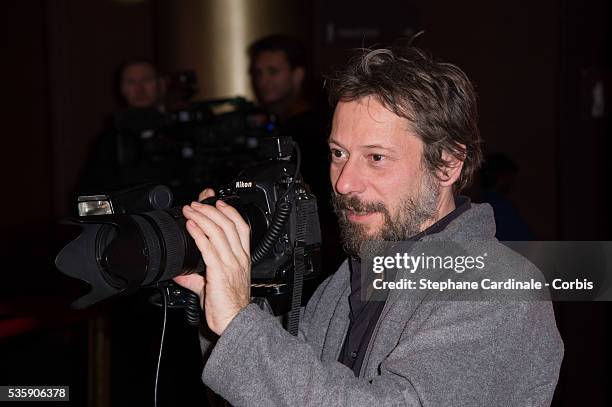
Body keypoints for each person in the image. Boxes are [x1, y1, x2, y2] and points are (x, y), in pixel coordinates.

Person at [174, 45, 564, 406]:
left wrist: (238, 322)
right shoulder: (354, 274)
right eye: (338, 154)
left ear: (447, 164)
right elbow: (277, 386)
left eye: (376, 157)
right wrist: (216, 297)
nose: (344, 182)